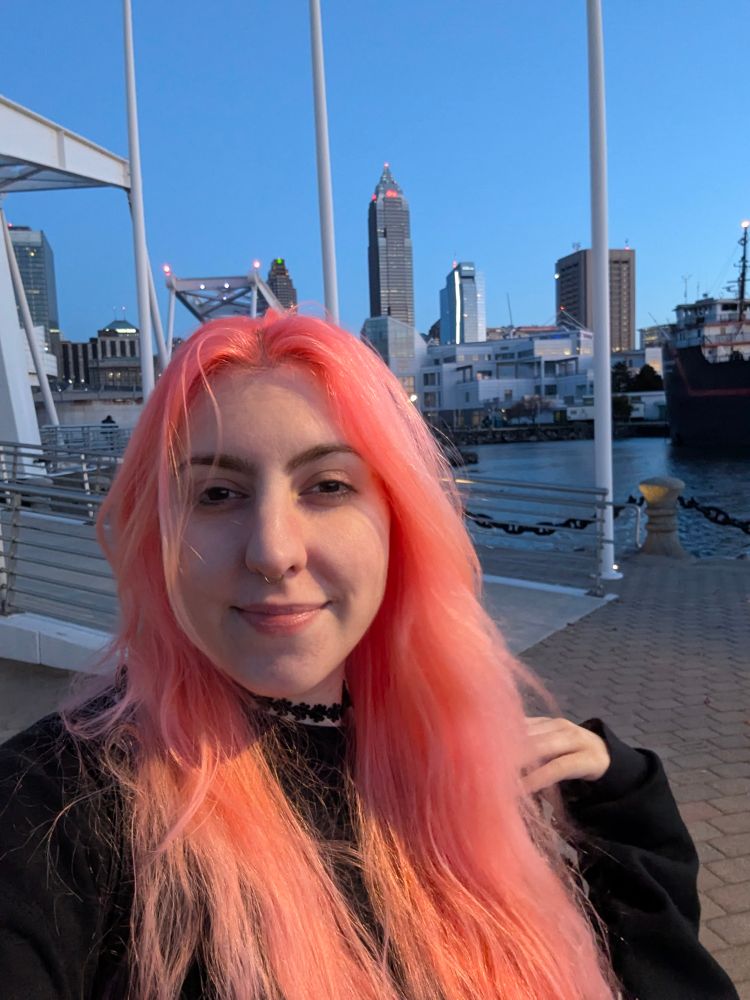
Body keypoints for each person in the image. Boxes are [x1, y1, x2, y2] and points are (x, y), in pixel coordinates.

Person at [0, 313, 738, 1000]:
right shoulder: (53, 813)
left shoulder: (482, 765)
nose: (273, 552)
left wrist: (626, 801)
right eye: (218, 494)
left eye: (327, 486)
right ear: (156, 529)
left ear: (399, 517)